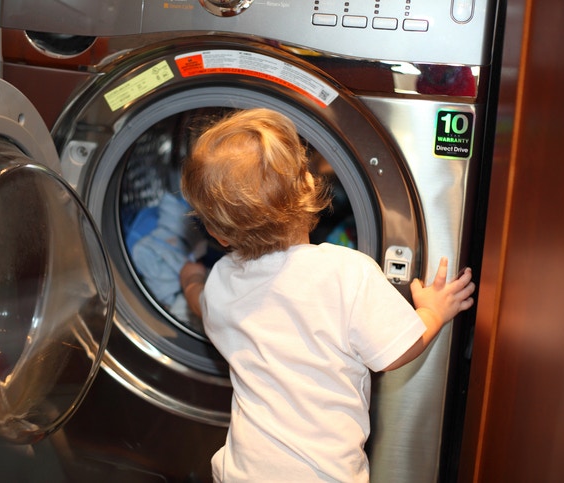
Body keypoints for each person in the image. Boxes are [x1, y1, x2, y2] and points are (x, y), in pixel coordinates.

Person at [178, 108, 475, 482]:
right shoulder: (347, 272)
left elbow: (199, 301)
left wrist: (190, 277)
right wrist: (433, 311)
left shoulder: (221, 281)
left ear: (219, 234)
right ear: (309, 187)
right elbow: (398, 351)